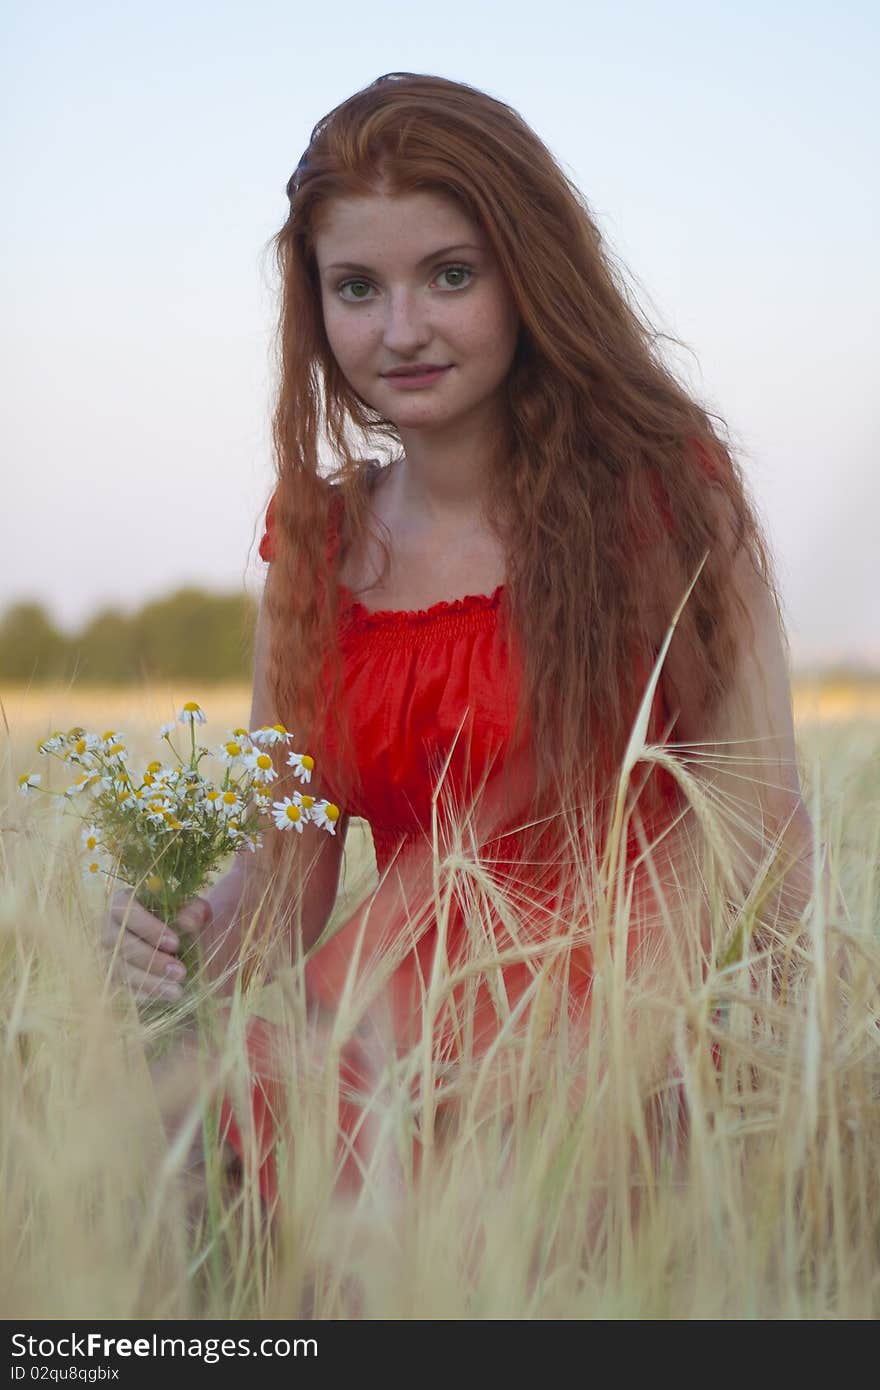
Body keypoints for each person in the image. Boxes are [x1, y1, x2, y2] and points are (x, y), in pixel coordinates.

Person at [105, 72, 815, 1213]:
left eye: (449, 274)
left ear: (527, 271)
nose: (401, 330)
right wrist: (170, 927)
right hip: (373, 1063)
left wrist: (783, 1112)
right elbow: (281, 884)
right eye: (356, 287)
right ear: (316, 307)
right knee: (154, 1148)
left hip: (620, 1075)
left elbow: (763, 821)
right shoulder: (315, 544)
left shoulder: (661, 500)